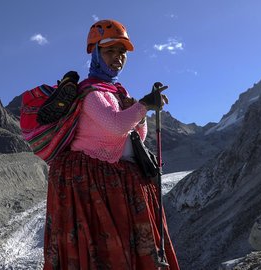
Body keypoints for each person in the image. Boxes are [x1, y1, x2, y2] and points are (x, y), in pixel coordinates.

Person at [43, 19, 180, 270]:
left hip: (115, 179)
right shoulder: (92, 93)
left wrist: (139, 110)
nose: (118, 57)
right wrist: (144, 105)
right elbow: (117, 127)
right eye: (110, 51)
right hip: (96, 181)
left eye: (122, 52)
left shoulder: (114, 91)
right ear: (95, 53)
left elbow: (137, 132)